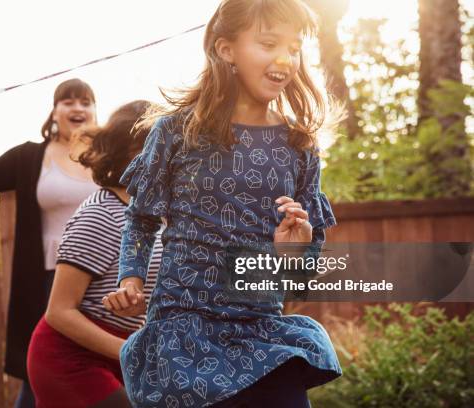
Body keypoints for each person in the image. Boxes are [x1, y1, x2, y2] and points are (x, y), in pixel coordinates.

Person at [103, 0, 344, 407]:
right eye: (269, 43)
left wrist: (295, 253)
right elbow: (141, 220)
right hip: (184, 334)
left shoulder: (300, 146)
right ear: (225, 49)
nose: (285, 58)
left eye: (294, 47)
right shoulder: (176, 132)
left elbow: (299, 284)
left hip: (262, 331)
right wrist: (132, 279)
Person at [0, 78, 100, 408]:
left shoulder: (108, 157)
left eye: (85, 102)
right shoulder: (30, 157)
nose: (77, 108)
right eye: (68, 101)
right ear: (54, 112)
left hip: (106, 283)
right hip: (49, 282)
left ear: (95, 112)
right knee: (40, 373)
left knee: (99, 372)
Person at [26, 100, 162, 408]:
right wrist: (130, 349)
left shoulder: (155, 217)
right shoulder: (101, 213)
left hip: (119, 355)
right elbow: (59, 312)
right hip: (69, 359)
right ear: (133, 152)